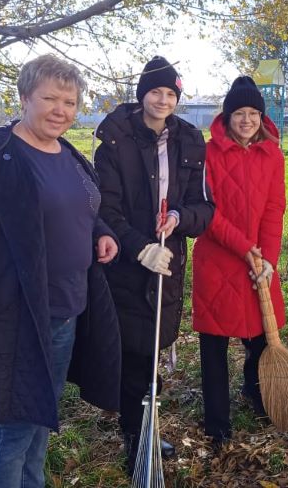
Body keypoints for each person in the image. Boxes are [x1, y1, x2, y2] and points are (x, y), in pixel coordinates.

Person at [0, 54, 122, 487]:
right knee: (13, 429)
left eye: (71, 101)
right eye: (50, 98)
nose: (61, 109)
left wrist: (101, 232)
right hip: (14, 314)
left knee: (40, 417)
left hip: (67, 309)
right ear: (24, 97)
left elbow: (81, 206)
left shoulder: (70, 154)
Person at [94, 55, 214, 474]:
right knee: (132, 350)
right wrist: (139, 247)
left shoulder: (190, 140)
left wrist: (181, 218)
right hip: (129, 262)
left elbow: (204, 206)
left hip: (170, 261)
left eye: (171, 93)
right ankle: (133, 436)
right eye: (155, 91)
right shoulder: (114, 138)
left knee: (154, 350)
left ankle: (148, 424)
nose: (163, 100)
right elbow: (104, 208)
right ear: (142, 93)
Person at [191, 76, 286, 448]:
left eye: (254, 113)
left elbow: (275, 208)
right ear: (227, 116)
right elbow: (207, 212)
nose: (247, 120)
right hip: (218, 260)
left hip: (259, 261)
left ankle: (255, 391)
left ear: (262, 117)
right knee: (214, 346)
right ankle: (218, 423)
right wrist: (246, 247)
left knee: (260, 336)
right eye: (239, 113)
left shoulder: (273, 155)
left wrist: (268, 259)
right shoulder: (208, 153)